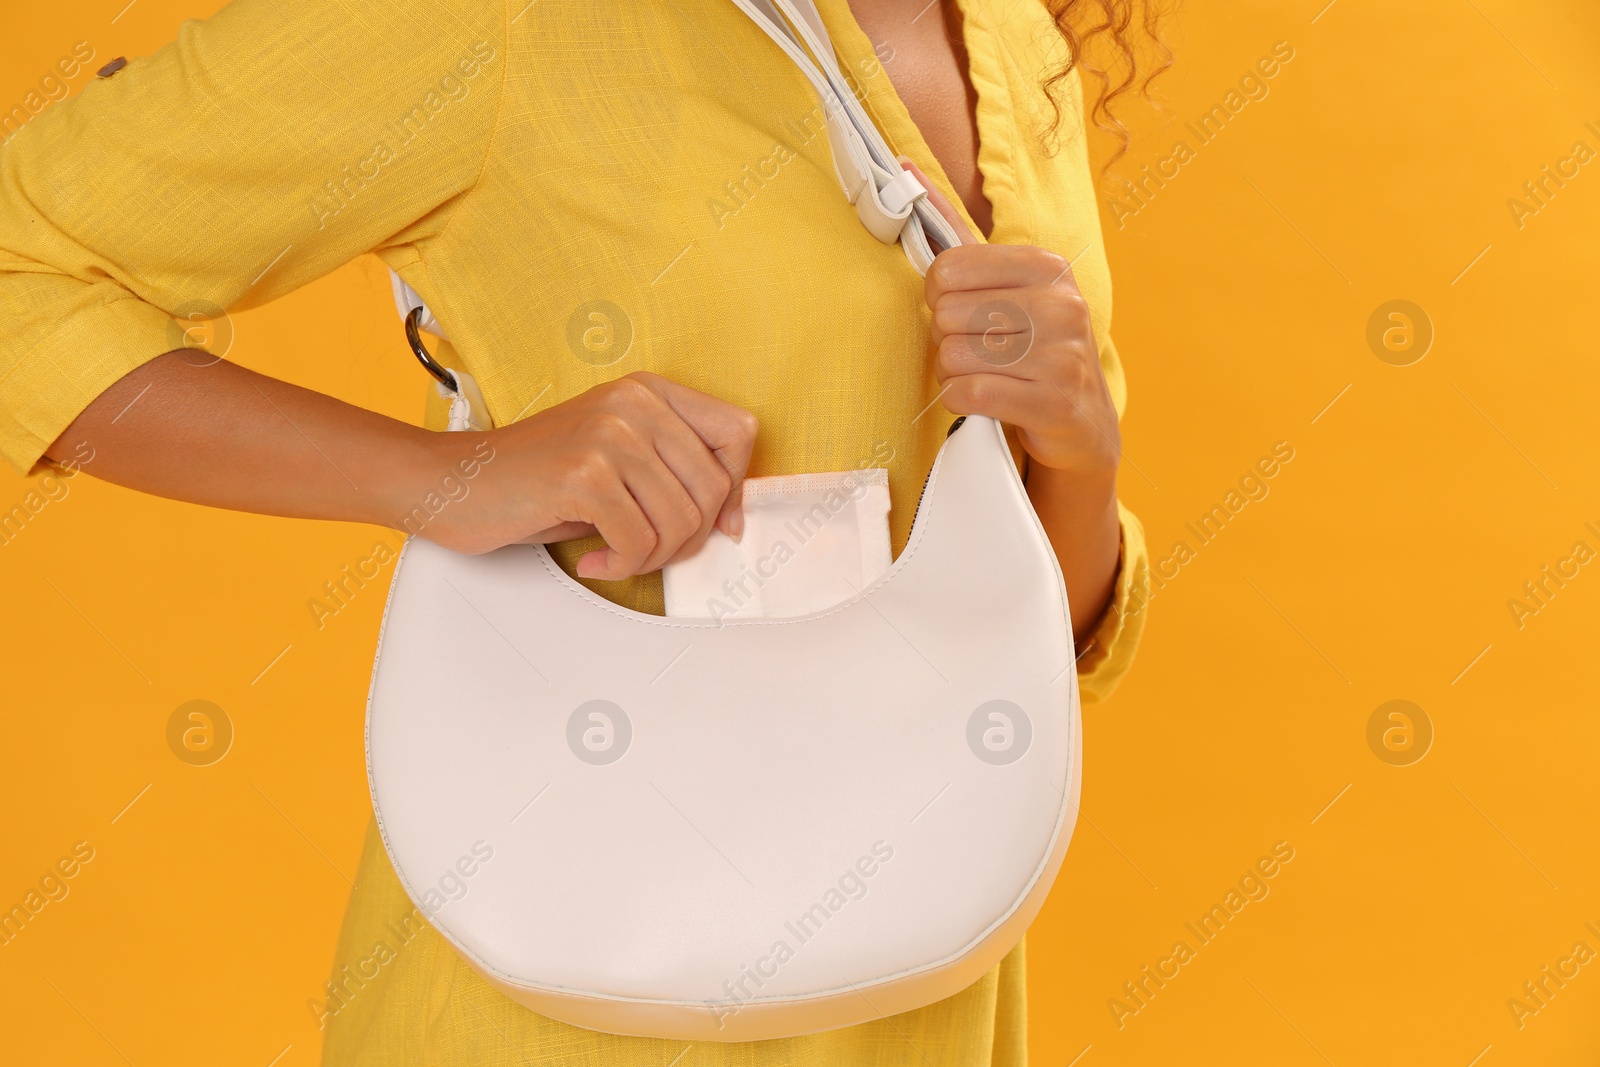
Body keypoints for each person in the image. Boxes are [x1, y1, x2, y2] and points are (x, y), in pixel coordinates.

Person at [0, 0, 1157, 1061]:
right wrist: (442, 476)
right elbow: (20, 271)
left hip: (918, 988)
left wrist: (1080, 452)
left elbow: (1031, 637)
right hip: (557, 995)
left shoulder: (1012, 34)